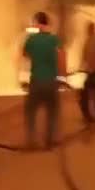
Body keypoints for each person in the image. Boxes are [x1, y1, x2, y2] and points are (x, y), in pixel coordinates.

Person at [22, 11, 65, 150]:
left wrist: (35, 55)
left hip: (36, 81)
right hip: (51, 81)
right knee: (52, 111)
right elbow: (61, 58)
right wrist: (61, 78)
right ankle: (49, 141)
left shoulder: (31, 40)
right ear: (47, 23)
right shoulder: (54, 40)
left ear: (37, 23)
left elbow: (25, 55)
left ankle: (31, 141)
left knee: (30, 110)